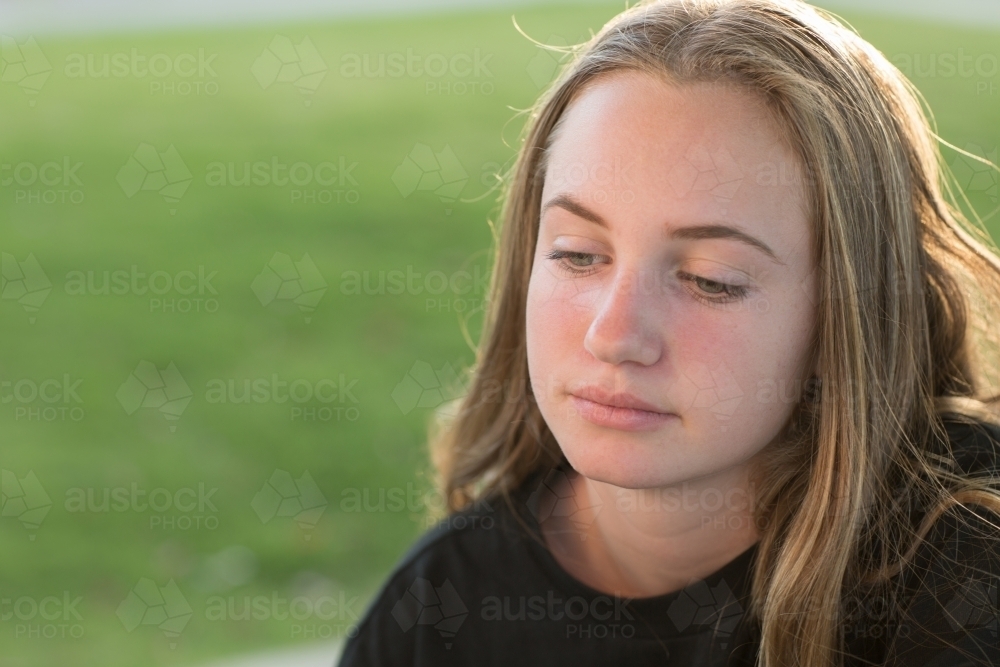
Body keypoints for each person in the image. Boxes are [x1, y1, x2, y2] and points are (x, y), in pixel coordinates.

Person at [338, 0, 1000, 664]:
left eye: (709, 279)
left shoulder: (969, 569)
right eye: (577, 254)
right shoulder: (439, 612)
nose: (616, 334)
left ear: (845, 312)